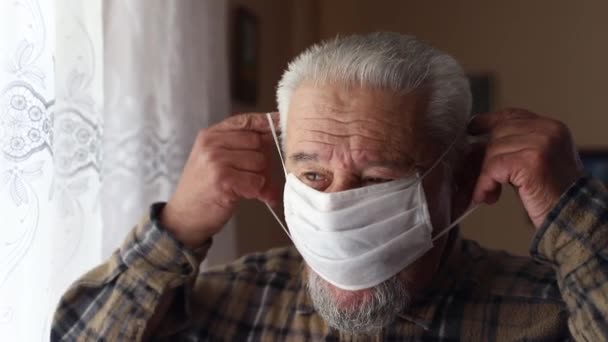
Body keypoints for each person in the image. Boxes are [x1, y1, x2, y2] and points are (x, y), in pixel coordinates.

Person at [51, 32, 607, 341]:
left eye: (377, 178)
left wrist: (574, 217)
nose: (336, 206)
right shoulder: (232, 303)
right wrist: (176, 227)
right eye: (312, 174)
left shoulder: (550, 312)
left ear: (460, 182)